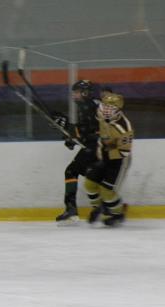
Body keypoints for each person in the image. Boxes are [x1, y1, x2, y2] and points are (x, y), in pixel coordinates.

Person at [53, 80, 100, 224]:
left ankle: (72, 211)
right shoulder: (91, 105)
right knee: (91, 175)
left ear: (85, 93)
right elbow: (86, 130)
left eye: (77, 92)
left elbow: (88, 131)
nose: (74, 95)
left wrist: (67, 125)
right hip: (96, 146)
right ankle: (106, 206)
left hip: (96, 147)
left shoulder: (88, 106)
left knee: (71, 171)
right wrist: (71, 138)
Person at [84, 92, 133, 226]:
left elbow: (124, 151)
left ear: (118, 110)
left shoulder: (124, 127)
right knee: (89, 184)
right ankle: (98, 208)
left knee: (107, 192)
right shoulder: (100, 115)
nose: (106, 110)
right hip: (104, 157)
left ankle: (118, 214)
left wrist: (107, 146)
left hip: (119, 161)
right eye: (104, 106)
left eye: (110, 108)